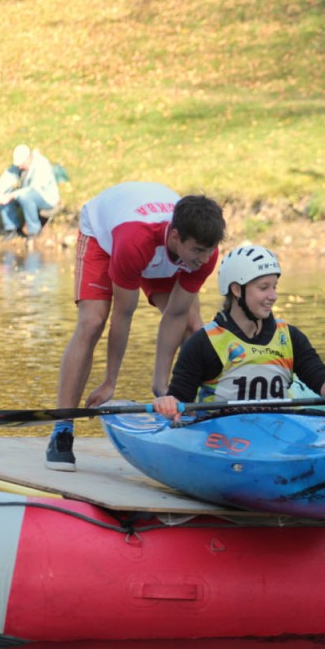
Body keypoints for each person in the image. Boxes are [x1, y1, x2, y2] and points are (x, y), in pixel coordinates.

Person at [46, 182, 227, 471]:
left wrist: (161, 386)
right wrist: (110, 381)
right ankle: (62, 430)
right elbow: (124, 314)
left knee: (193, 327)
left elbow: (176, 315)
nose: (205, 260)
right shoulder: (134, 242)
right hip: (105, 236)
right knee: (93, 321)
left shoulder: (204, 254)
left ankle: (192, 417)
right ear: (177, 237)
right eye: (198, 251)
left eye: (209, 251)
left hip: (158, 249)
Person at [151, 245, 325, 420]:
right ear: (237, 290)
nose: (273, 296)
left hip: (279, 430)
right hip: (223, 437)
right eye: (264, 288)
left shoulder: (289, 337)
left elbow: (321, 381)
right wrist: (168, 403)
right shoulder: (204, 342)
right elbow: (179, 400)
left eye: (275, 287)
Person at [0, 144, 60, 239]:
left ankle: (34, 231)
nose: (20, 167)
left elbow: (33, 189)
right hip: (26, 194)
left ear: (29, 158)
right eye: (19, 165)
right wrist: (0, 192)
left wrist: (11, 195)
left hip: (46, 198)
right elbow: (8, 176)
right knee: (5, 194)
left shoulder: (41, 164)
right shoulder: (21, 165)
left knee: (25, 196)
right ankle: (12, 229)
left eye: (22, 165)